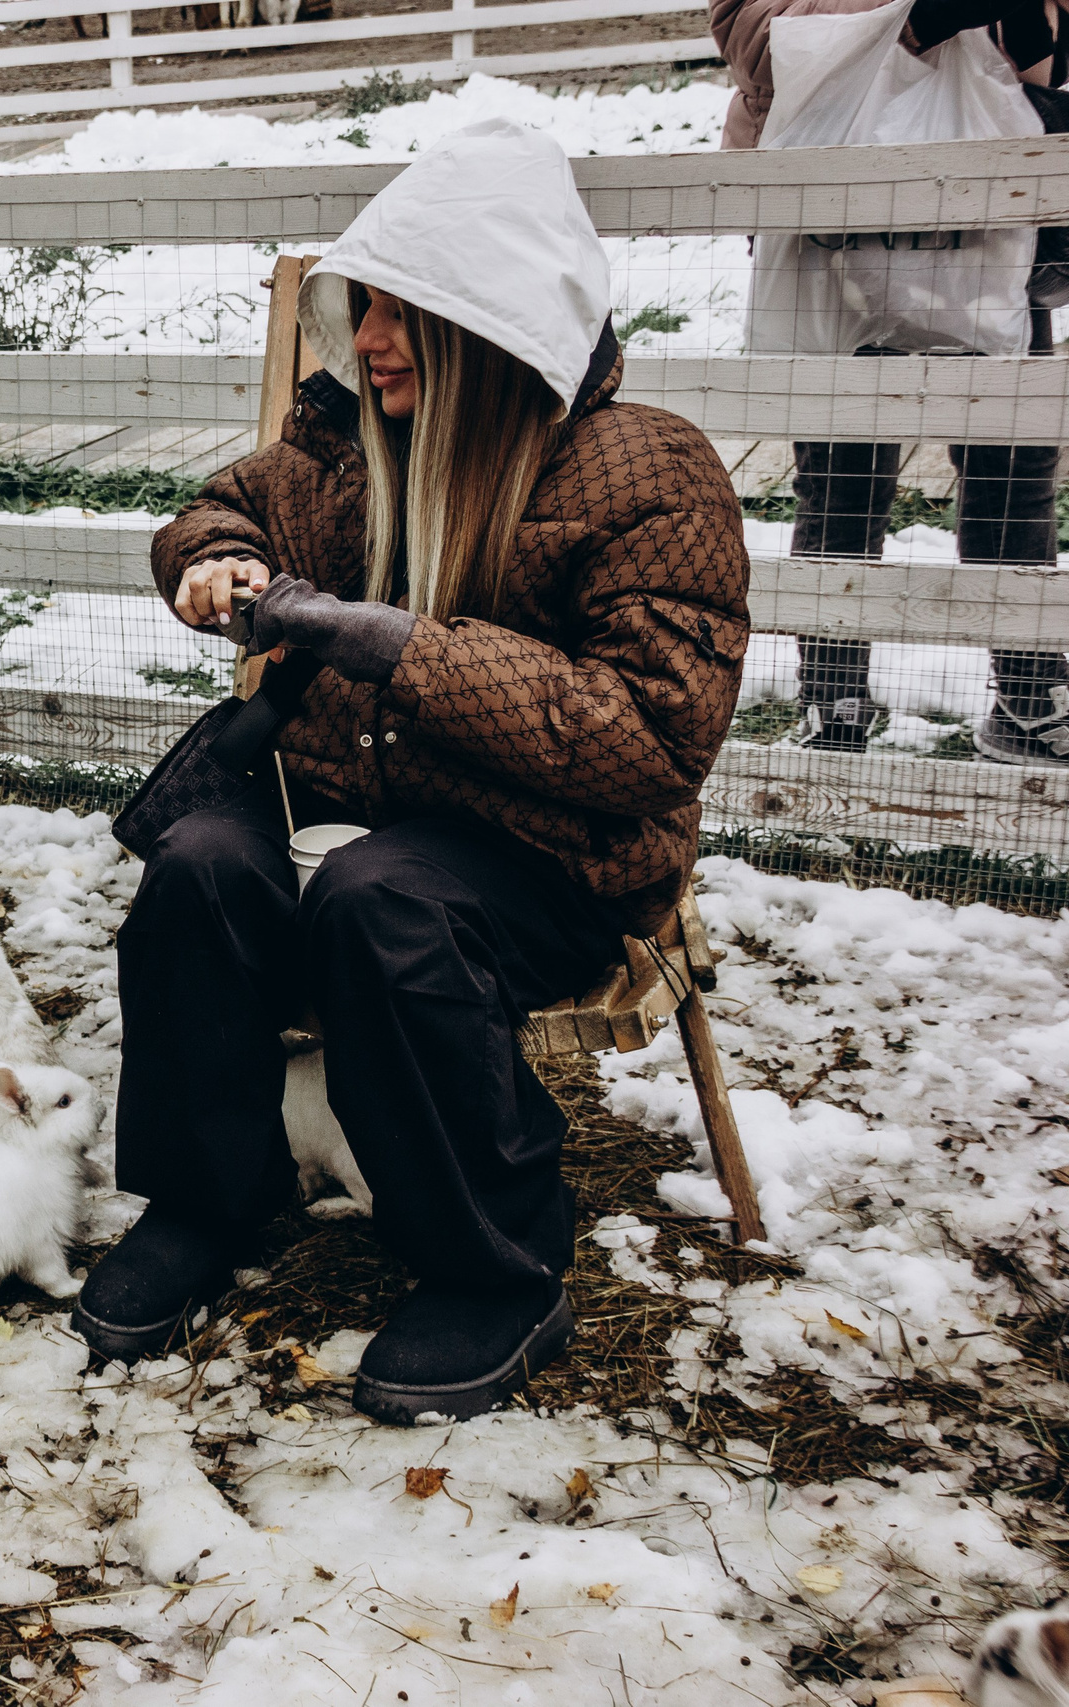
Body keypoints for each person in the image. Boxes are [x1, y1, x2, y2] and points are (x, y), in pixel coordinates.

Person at [77, 121, 752, 1424]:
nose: (365, 337)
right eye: (361, 307)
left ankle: (498, 1261)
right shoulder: (347, 448)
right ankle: (211, 1194)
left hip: (545, 857)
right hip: (352, 810)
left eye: (396, 311)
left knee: (381, 900)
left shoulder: (650, 473)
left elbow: (654, 737)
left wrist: (396, 646)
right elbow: (219, 504)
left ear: (483, 325)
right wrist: (211, 556)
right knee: (203, 864)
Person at [712, 0, 1069, 764]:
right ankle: (834, 698)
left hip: (990, 211)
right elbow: (753, 35)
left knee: (1015, 457)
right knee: (844, 470)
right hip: (843, 223)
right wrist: (920, 12)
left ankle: (1032, 693)